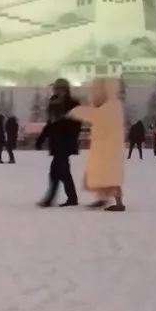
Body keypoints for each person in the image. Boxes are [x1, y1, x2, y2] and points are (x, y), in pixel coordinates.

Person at [68, 76, 126, 211]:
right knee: (102, 173)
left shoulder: (112, 105)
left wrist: (78, 111)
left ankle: (119, 203)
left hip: (109, 147)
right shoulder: (109, 105)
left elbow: (97, 117)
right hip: (103, 146)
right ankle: (102, 198)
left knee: (111, 175)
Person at [35, 78, 81, 207]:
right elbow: (50, 124)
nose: (55, 91)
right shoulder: (53, 104)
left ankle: (50, 199)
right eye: (55, 88)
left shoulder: (73, 104)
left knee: (56, 171)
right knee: (63, 171)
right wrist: (42, 138)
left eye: (58, 88)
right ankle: (71, 198)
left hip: (66, 141)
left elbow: (76, 124)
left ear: (65, 89)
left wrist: (65, 127)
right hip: (56, 141)